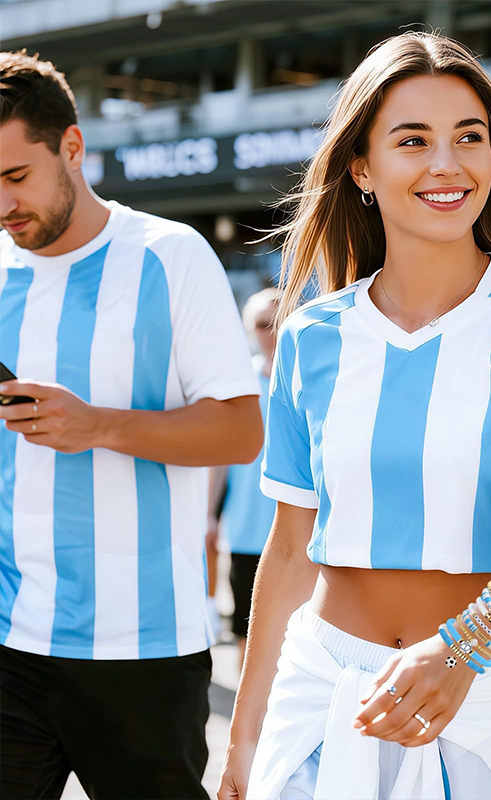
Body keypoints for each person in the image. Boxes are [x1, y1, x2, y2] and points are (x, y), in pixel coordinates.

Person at [218, 32, 491, 800]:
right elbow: (292, 549)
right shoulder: (310, 335)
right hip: (320, 688)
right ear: (361, 167)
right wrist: (246, 735)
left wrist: (460, 655)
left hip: (483, 689)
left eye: (469, 138)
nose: (447, 164)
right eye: (413, 141)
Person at [0, 52, 263, 800]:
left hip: (144, 652)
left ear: (72, 148)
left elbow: (241, 432)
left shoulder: (170, 257)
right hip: (10, 641)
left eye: (16, 177)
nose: (2, 203)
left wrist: (99, 425)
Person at [208, 288, 280, 669]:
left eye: (277, 322)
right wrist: (209, 516)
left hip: (300, 531)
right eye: (261, 324)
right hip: (247, 530)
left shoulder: (307, 377)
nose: (270, 331)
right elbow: (219, 459)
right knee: (245, 629)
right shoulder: (241, 386)